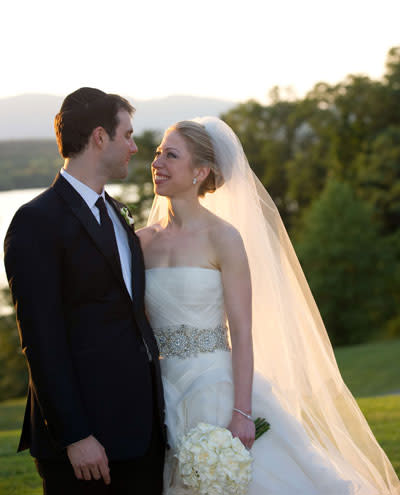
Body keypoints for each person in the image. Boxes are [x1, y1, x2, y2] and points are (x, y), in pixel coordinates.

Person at [137, 117, 400, 494]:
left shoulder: (223, 238)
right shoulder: (140, 242)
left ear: (200, 171)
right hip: (161, 393)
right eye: (158, 153)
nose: (157, 163)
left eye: (171, 155)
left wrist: (242, 412)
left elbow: (242, 331)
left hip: (215, 387)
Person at [3, 87, 166, 495]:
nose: (133, 146)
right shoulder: (36, 221)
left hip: (142, 434)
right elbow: (41, 341)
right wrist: (75, 436)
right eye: (126, 135)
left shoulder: (115, 213)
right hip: (85, 445)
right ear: (99, 137)